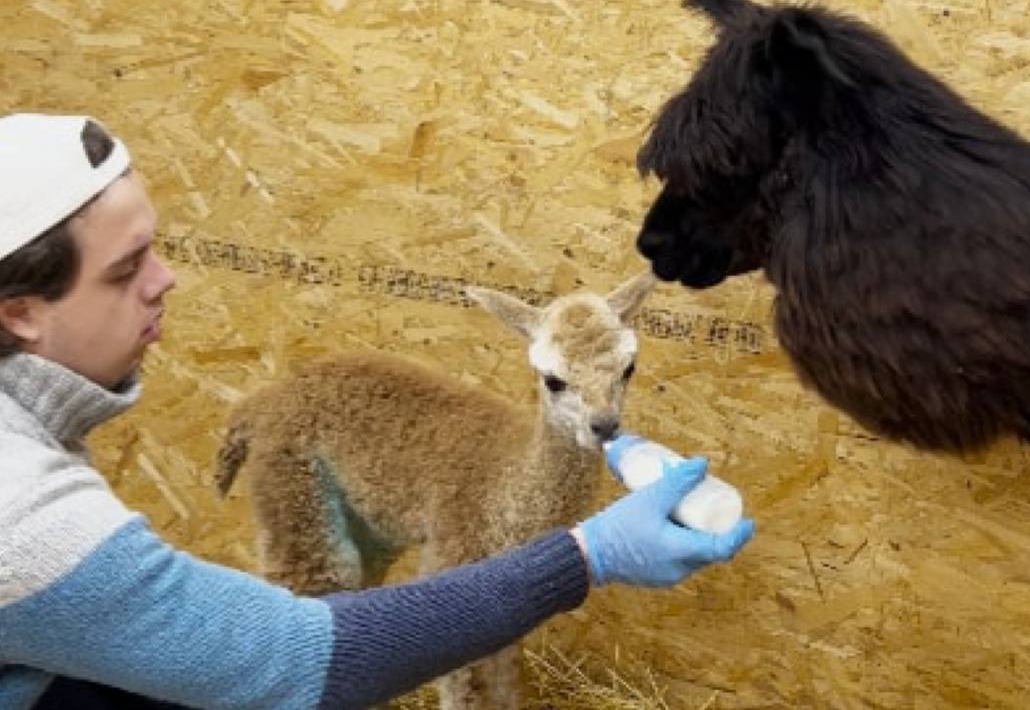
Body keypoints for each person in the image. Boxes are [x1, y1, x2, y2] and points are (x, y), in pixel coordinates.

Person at [0, 113, 756, 710]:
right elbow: (295, 664)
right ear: (22, 313)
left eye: (154, 251)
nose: (167, 280)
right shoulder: (24, 514)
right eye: (127, 269)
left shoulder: (36, 425)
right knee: (324, 598)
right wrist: (592, 554)